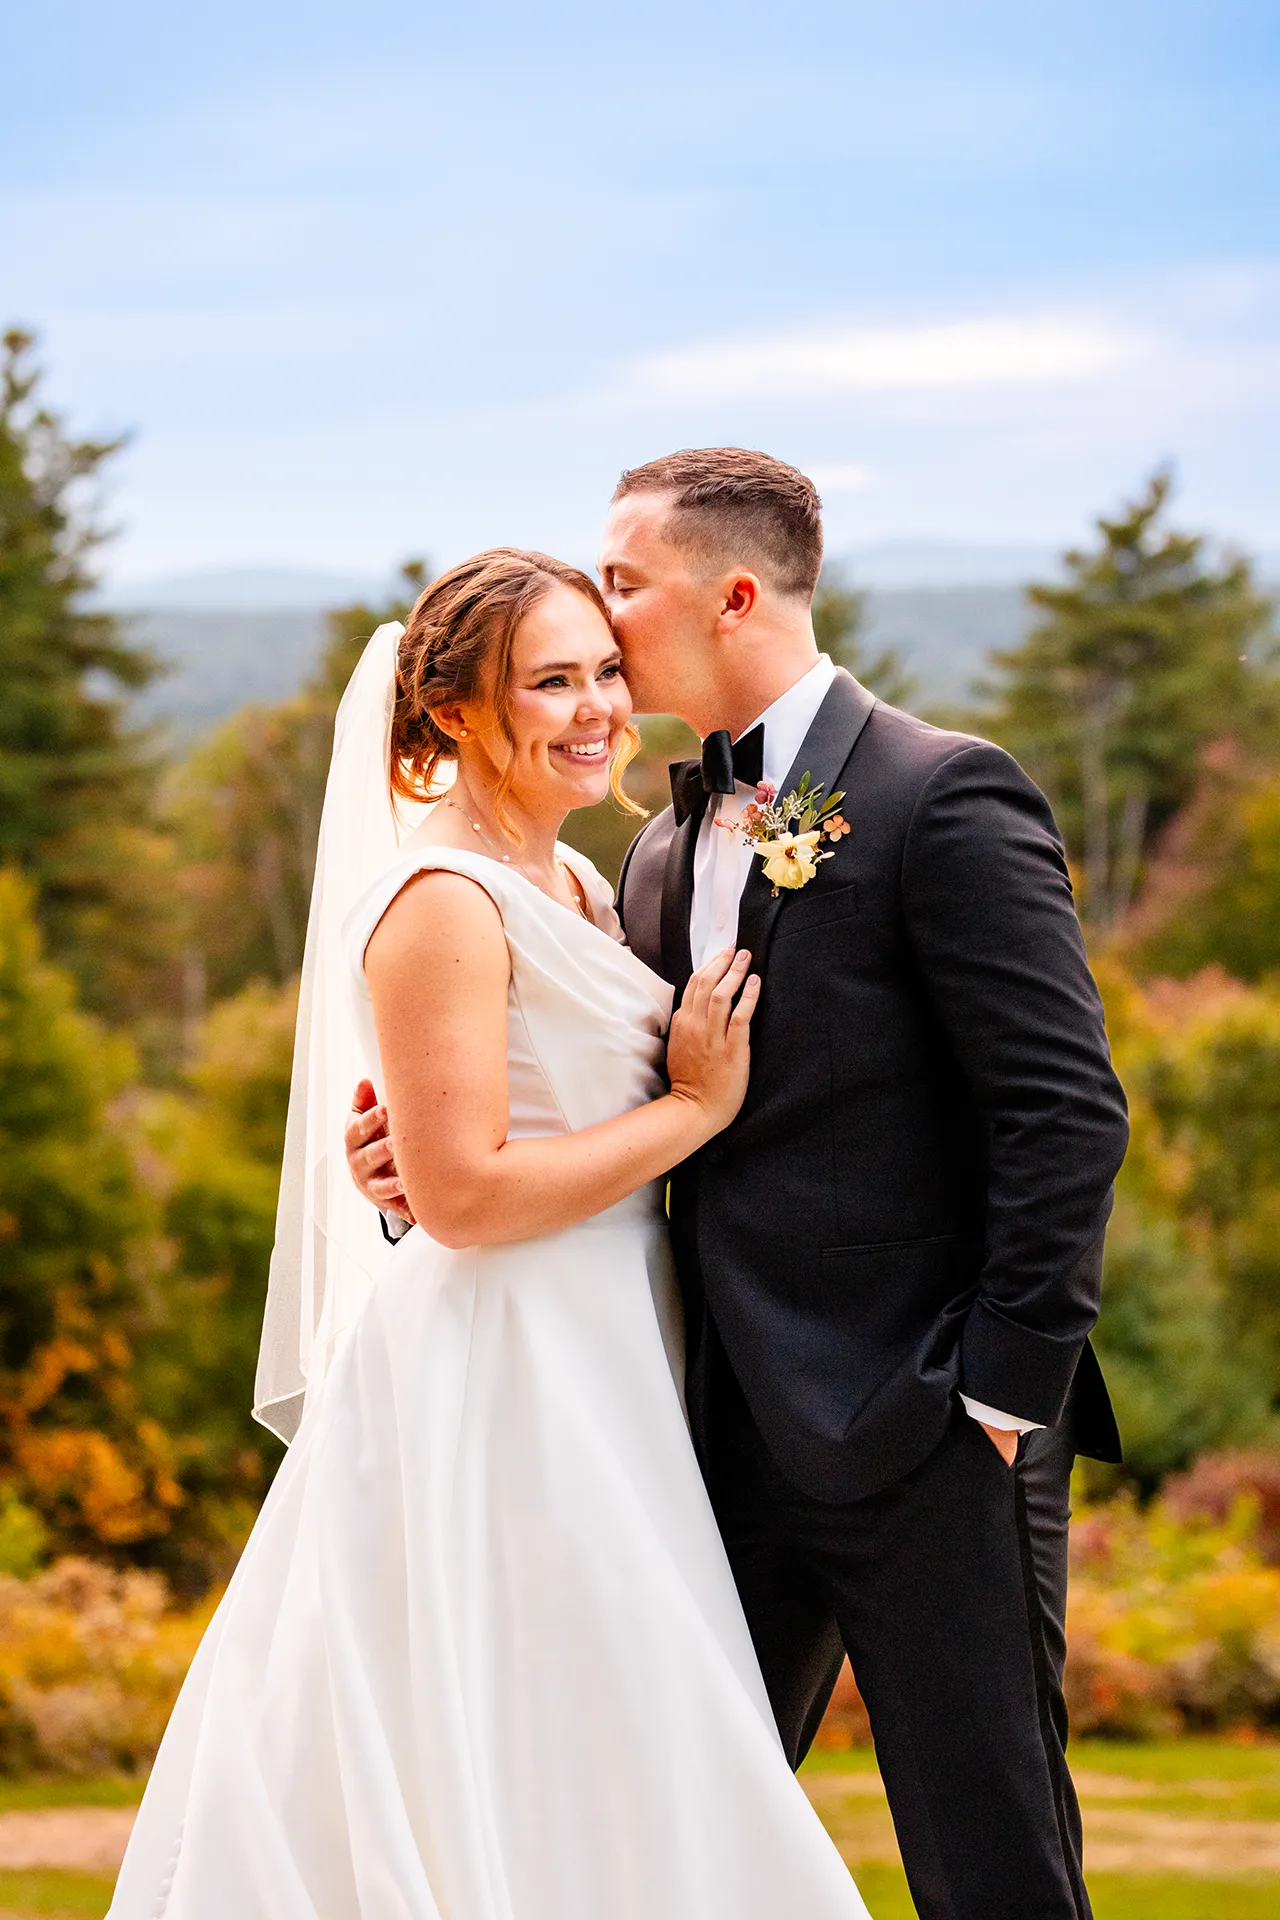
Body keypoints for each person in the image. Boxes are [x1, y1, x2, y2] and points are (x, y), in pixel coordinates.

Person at [349, 450, 1130, 1920]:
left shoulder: (940, 794)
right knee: (679, 1842)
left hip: (926, 1432)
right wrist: (415, 1171)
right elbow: (599, 1101)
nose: (607, 615)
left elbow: (1065, 1114)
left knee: (991, 1852)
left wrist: (1000, 1396)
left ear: (738, 592)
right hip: (701, 1435)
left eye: (626, 588)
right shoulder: (646, 848)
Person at [108, 547, 869, 1919]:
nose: (596, 711)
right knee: (517, 1713)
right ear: (454, 710)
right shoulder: (443, 903)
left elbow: (492, 1127)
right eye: (551, 682)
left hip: (610, 1343)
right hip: (502, 1368)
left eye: (605, 675)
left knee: (596, 1724)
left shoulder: (581, 882)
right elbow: (461, 1199)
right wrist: (697, 1109)